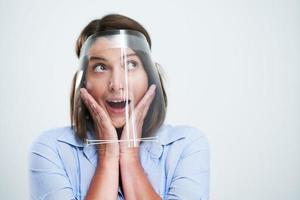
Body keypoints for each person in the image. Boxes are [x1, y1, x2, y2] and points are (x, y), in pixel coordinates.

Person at [29, 14, 210, 200]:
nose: (116, 84)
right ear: (84, 82)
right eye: (100, 67)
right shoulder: (51, 149)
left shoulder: (186, 144)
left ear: (149, 75)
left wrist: (130, 157)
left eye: (131, 64)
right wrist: (107, 158)